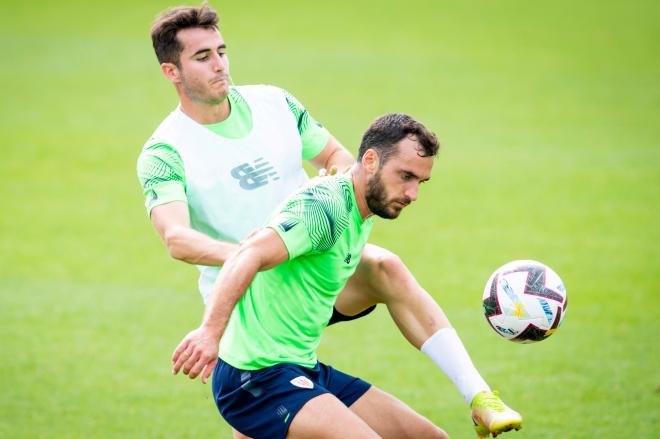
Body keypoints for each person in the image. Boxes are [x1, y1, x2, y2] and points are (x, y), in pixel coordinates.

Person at [138, 4, 522, 438]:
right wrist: (268, 251)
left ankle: (480, 396)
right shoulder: (165, 151)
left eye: (222, 51)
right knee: (266, 401)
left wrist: (315, 218)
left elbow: (343, 161)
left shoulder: (274, 103)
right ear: (172, 71)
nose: (220, 64)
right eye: (202, 56)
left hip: (312, 269)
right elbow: (176, 238)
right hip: (250, 300)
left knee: (385, 268)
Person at [173, 112, 450, 439]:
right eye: (405, 176)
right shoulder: (324, 208)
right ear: (371, 161)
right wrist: (209, 332)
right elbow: (247, 254)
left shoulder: (362, 207)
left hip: (300, 368)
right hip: (255, 377)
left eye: (420, 182)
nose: (413, 193)